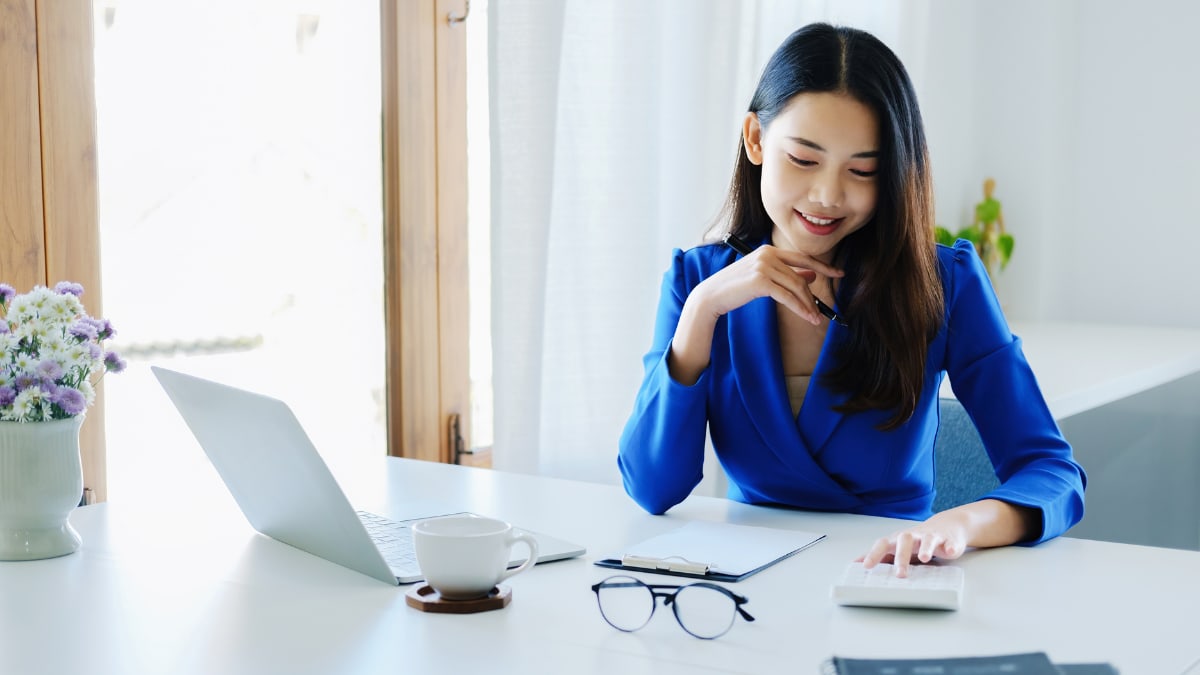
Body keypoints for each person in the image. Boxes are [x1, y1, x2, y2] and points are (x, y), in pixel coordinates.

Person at [617, 23, 1085, 576]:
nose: (828, 196)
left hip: (889, 579)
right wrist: (701, 313)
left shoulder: (945, 281)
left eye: (862, 171)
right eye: (804, 160)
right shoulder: (698, 283)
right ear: (756, 140)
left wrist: (957, 525)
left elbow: (1052, 473)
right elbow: (653, 488)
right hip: (747, 587)